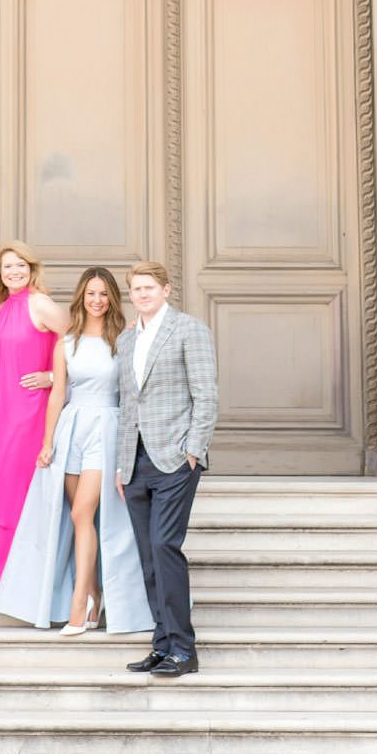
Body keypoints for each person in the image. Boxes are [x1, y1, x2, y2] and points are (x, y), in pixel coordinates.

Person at [0, 266, 153, 635]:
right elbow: (58, 395)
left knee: (83, 512)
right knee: (79, 518)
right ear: (81, 297)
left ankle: (79, 604)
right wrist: (48, 442)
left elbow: (134, 395)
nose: (97, 300)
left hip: (107, 429)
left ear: (113, 298)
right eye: (91, 293)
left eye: (104, 294)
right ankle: (93, 592)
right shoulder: (67, 342)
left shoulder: (125, 340)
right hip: (71, 430)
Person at [115, 261, 218, 678]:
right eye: (136, 289)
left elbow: (206, 395)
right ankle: (162, 644)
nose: (142, 294)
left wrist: (192, 450)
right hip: (134, 462)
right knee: (147, 556)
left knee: (164, 546)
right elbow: (127, 404)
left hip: (174, 458)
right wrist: (121, 465)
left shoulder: (189, 330)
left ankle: (184, 649)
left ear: (166, 290)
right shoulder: (126, 338)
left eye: (149, 288)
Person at [0, 239, 66, 591]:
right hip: (5, 409)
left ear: (32, 269)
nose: (15, 271)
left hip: (30, 412)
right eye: (8, 267)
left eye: (21, 265)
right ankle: (3, 565)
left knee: (18, 485)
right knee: (6, 484)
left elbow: (81, 340)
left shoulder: (40, 303)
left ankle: (13, 569)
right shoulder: (3, 307)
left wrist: (52, 376)